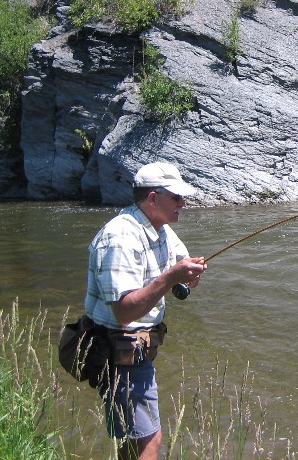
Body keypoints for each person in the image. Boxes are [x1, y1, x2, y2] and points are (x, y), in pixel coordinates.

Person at [84, 162, 208, 460]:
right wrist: (170, 277)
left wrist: (187, 275)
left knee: (132, 438)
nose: (183, 203)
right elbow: (124, 312)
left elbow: (180, 265)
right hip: (119, 350)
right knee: (149, 440)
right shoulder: (120, 238)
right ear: (153, 198)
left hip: (137, 350)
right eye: (176, 197)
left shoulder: (160, 229)